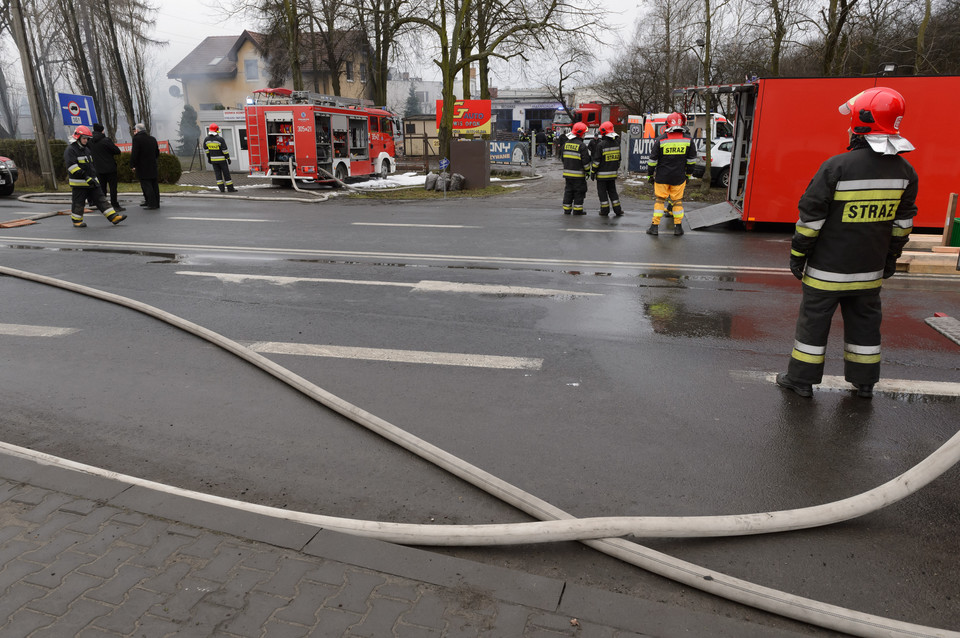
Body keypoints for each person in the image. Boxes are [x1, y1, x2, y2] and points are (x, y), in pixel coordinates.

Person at [775, 87, 918, 400]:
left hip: (826, 272)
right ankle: (864, 383)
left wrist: (798, 256)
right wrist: (891, 259)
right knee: (865, 325)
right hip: (869, 273)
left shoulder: (836, 167)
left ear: (861, 122)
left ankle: (801, 380)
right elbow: (902, 225)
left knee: (813, 326)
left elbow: (811, 220)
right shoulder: (906, 173)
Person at [63, 125, 126, 228]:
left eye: (87, 138)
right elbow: (72, 167)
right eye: (84, 138)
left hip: (91, 181)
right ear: (77, 137)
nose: (86, 140)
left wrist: (93, 178)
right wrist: (85, 177)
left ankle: (113, 217)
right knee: (79, 203)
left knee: (102, 200)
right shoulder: (70, 150)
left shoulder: (86, 149)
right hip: (79, 184)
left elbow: (91, 166)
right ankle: (77, 221)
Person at [646, 111, 697, 236]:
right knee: (677, 201)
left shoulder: (660, 140)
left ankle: (654, 227)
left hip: (661, 177)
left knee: (659, 200)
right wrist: (688, 175)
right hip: (679, 177)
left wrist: (650, 175)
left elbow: (652, 161)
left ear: (667, 124)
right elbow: (691, 161)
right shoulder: (689, 140)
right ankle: (678, 227)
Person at [88, 122, 123, 212]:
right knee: (113, 188)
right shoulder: (106, 140)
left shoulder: (90, 142)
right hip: (110, 168)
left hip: (98, 168)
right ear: (102, 131)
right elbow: (117, 151)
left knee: (102, 188)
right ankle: (114, 204)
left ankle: (103, 206)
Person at [592, 121, 624, 216]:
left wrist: (593, 172)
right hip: (612, 174)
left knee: (602, 193)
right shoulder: (616, 144)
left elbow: (596, 161)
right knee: (613, 192)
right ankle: (618, 210)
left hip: (602, 176)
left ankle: (604, 210)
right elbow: (619, 159)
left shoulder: (600, 145)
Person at [561, 122, 591, 215]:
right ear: (580, 133)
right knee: (579, 191)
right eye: (584, 133)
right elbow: (585, 162)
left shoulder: (565, 144)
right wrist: (588, 172)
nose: (584, 135)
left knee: (568, 191)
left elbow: (562, 158)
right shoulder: (582, 146)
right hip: (579, 175)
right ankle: (578, 210)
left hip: (567, 174)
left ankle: (567, 209)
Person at [130, 122, 160, 209]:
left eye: (135, 130)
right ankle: (156, 203)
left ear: (137, 130)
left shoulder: (137, 139)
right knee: (154, 185)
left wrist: (132, 164)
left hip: (142, 166)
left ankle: (151, 204)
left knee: (146, 185)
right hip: (152, 165)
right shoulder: (152, 139)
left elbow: (135, 153)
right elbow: (157, 153)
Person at [203, 123, 237, 193]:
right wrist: (228, 158)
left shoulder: (206, 139)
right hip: (222, 160)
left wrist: (209, 158)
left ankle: (221, 189)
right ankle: (230, 189)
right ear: (216, 130)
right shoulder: (220, 139)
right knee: (226, 174)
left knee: (218, 175)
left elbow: (206, 150)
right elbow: (225, 150)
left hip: (213, 160)